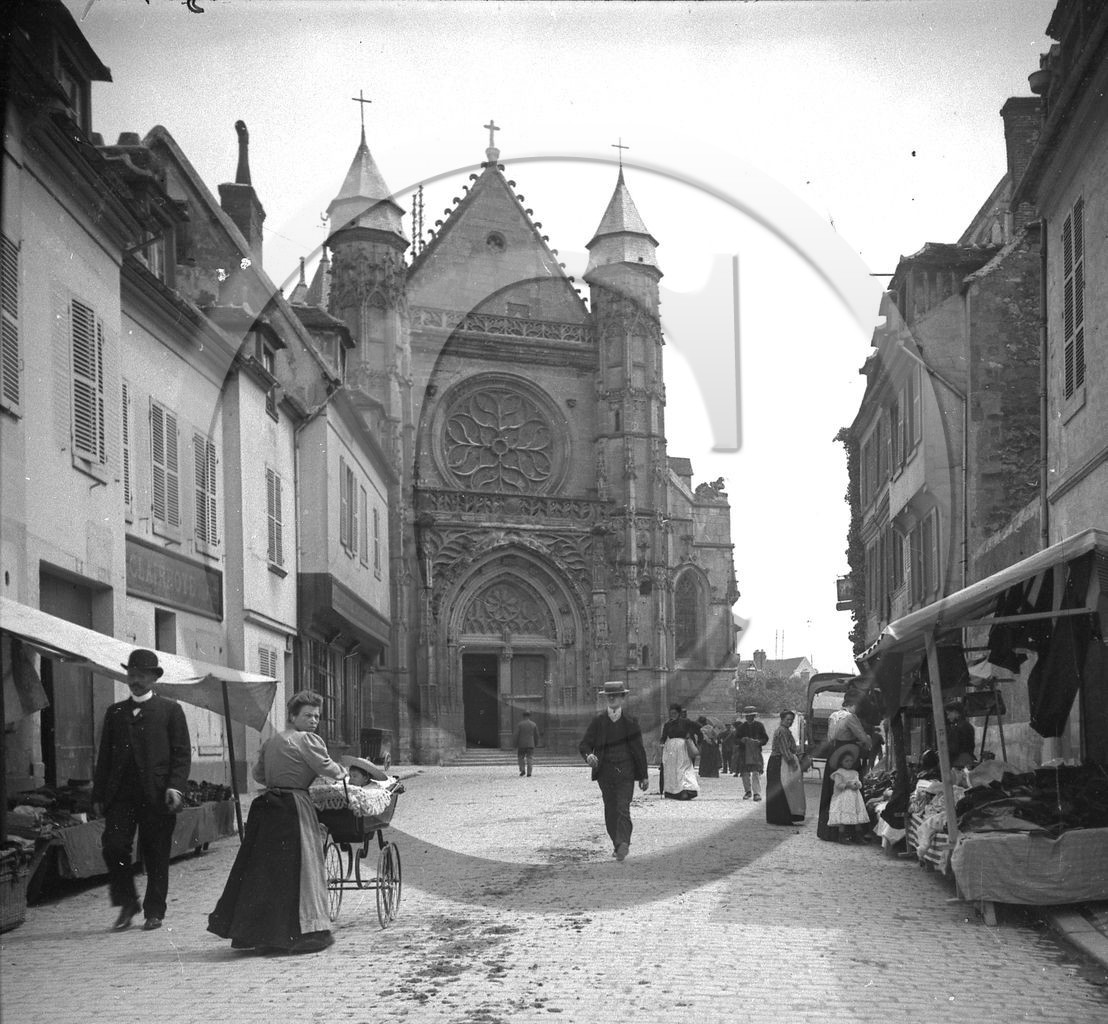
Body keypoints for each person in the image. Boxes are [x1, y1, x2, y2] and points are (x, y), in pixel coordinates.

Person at [208, 690, 347, 953]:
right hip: (295, 806)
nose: (314, 720)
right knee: (305, 866)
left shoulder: (272, 741)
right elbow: (329, 768)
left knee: (266, 871)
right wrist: (344, 772)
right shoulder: (308, 740)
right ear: (293, 716)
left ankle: (258, 931)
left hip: (268, 808)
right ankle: (307, 930)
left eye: (317, 716)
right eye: (307, 715)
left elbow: (259, 774)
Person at [92, 649, 191, 933]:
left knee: (156, 852)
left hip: (158, 795)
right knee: (113, 847)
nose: (135, 680)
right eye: (131, 674)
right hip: (121, 796)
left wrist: (176, 787)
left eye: (141, 675)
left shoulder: (170, 710)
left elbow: (182, 754)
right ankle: (127, 902)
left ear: (153, 678)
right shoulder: (115, 713)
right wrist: (98, 795)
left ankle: (154, 911)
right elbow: (105, 758)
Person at [579, 680, 649, 861]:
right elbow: (585, 744)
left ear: (622, 698)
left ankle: (624, 842)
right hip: (605, 773)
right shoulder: (599, 721)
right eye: (608, 696)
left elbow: (638, 749)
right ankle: (617, 845)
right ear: (605, 698)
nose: (612, 698)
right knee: (610, 810)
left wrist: (643, 775)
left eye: (615, 695)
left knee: (623, 808)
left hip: (625, 772)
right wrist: (589, 756)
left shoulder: (631, 722)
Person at [816, 693, 872, 840]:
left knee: (833, 790)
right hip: (848, 754)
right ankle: (852, 831)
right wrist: (868, 742)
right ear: (852, 705)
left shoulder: (833, 716)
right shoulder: (850, 717)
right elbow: (862, 737)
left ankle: (830, 831)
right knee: (852, 790)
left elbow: (830, 737)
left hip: (834, 754)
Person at [765, 709, 806, 825]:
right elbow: (784, 750)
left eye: (791, 720)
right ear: (782, 719)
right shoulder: (782, 731)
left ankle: (778, 817)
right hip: (779, 762)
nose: (790, 722)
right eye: (787, 719)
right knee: (782, 789)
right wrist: (792, 763)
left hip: (780, 761)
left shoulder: (786, 731)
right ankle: (781, 817)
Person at [827, 747, 869, 842]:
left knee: (856, 815)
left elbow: (859, 782)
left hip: (855, 798)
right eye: (846, 761)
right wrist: (848, 785)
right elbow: (838, 785)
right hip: (843, 797)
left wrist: (858, 784)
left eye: (851, 761)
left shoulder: (855, 772)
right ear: (841, 762)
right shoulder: (839, 773)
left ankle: (858, 835)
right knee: (843, 815)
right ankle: (841, 835)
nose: (849, 763)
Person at [659, 703, 699, 800]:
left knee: (683, 768)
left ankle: (685, 790)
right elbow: (663, 737)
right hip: (671, 749)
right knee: (671, 769)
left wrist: (690, 735)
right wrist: (661, 745)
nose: (672, 715)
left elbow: (697, 727)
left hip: (682, 747)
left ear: (678, 713)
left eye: (674, 713)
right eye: (671, 713)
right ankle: (671, 791)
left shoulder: (685, 722)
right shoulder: (667, 724)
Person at [733, 707, 768, 801]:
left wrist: (759, 742)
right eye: (747, 716)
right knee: (745, 772)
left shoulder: (759, 726)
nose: (749, 718)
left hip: (756, 752)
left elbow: (765, 739)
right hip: (744, 752)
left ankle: (756, 793)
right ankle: (747, 791)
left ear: (754, 716)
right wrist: (741, 740)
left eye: (751, 716)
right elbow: (735, 740)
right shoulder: (741, 727)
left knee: (756, 772)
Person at [512, 710, 541, 777]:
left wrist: (515, 744)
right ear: (529, 716)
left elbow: (516, 735)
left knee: (521, 758)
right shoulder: (533, 724)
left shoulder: (520, 724)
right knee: (530, 758)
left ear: (523, 716)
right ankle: (529, 773)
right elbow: (536, 735)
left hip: (521, 744)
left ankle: (522, 770)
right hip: (530, 744)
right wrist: (535, 744)